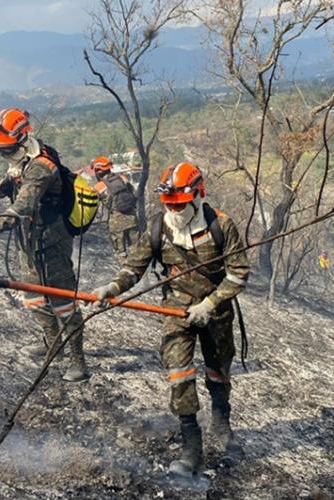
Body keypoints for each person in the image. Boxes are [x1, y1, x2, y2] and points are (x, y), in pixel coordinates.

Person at [92, 162, 250, 477]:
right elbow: (133, 268)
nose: (174, 210)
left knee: (218, 373)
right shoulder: (158, 228)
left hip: (216, 313)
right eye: (169, 204)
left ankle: (222, 427)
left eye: (179, 203)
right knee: (179, 373)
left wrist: (210, 303)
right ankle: (191, 446)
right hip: (175, 311)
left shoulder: (222, 225)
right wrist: (113, 287)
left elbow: (238, 274)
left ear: (197, 196)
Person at [0, 107, 89, 382]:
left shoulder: (42, 167)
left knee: (62, 302)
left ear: (22, 140)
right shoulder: (22, 159)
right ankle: (52, 344)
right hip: (28, 241)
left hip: (52, 242)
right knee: (33, 298)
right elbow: (20, 189)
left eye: (7, 150)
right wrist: (9, 184)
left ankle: (78, 360)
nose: (3, 155)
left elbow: (23, 206)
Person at [91, 156, 139, 265]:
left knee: (121, 254)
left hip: (116, 224)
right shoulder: (122, 178)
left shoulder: (98, 187)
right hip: (132, 218)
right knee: (136, 250)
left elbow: (93, 206)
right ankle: (142, 277)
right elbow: (134, 193)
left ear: (98, 171)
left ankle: (126, 275)